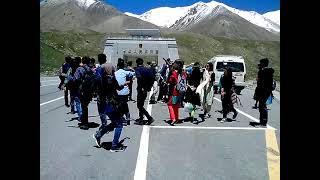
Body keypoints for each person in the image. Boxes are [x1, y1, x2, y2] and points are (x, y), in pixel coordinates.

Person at [93, 63, 128, 152]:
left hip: (104, 105)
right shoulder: (110, 79)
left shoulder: (100, 79)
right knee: (119, 124)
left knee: (115, 123)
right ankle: (114, 146)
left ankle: (99, 135)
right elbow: (118, 88)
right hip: (112, 105)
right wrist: (125, 84)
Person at [68, 56, 94, 130]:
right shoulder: (90, 69)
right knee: (85, 106)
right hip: (89, 91)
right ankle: (84, 121)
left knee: (83, 107)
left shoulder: (80, 69)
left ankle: (85, 124)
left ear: (82, 61)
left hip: (82, 90)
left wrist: (69, 77)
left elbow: (75, 79)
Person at [134, 58, 155, 125]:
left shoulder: (137, 69)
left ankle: (149, 118)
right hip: (145, 89)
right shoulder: (147, 69)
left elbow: (139, 78)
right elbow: (152, 77)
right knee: (141, 104)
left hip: (141, 89)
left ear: (137, 63)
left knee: (139, 105)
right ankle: (140, 118)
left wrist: (142, 87)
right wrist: (148, 86)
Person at [254, 58, 274, 127]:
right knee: (261, 106)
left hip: (264, 91)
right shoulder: (264, 71)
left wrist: (260, 71)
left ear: (263, 64)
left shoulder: (266, 72)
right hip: (262, 91)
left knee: (263, 106)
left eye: (261, 63)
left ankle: (263, 122)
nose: (259, 64)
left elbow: (262, 82)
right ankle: (261, 121)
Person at [115, 58, 135, 125]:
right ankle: (128, 117)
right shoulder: (126, 72)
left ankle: (120, 119)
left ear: (117, 66)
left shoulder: (115, 73)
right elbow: (134, 73)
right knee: (125, 104)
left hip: (117, 92)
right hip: (125, 92)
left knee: (118, 105)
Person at [167, 59, 187, 126]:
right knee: (176, 105)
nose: (173, 64)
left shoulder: (174, 72)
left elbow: (170, 81)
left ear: (178, 64)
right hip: (180, 91)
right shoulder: (183, 73)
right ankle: (177, 118)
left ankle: (173, 119)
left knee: (170, 104)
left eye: (175, 63)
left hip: (174, 91)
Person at [95, 54, 107, 128]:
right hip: (109, 91)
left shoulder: (99, 68)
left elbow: (98, 79)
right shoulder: (110, 66)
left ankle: (104, 124)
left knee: (101, 109)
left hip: (101, 91)